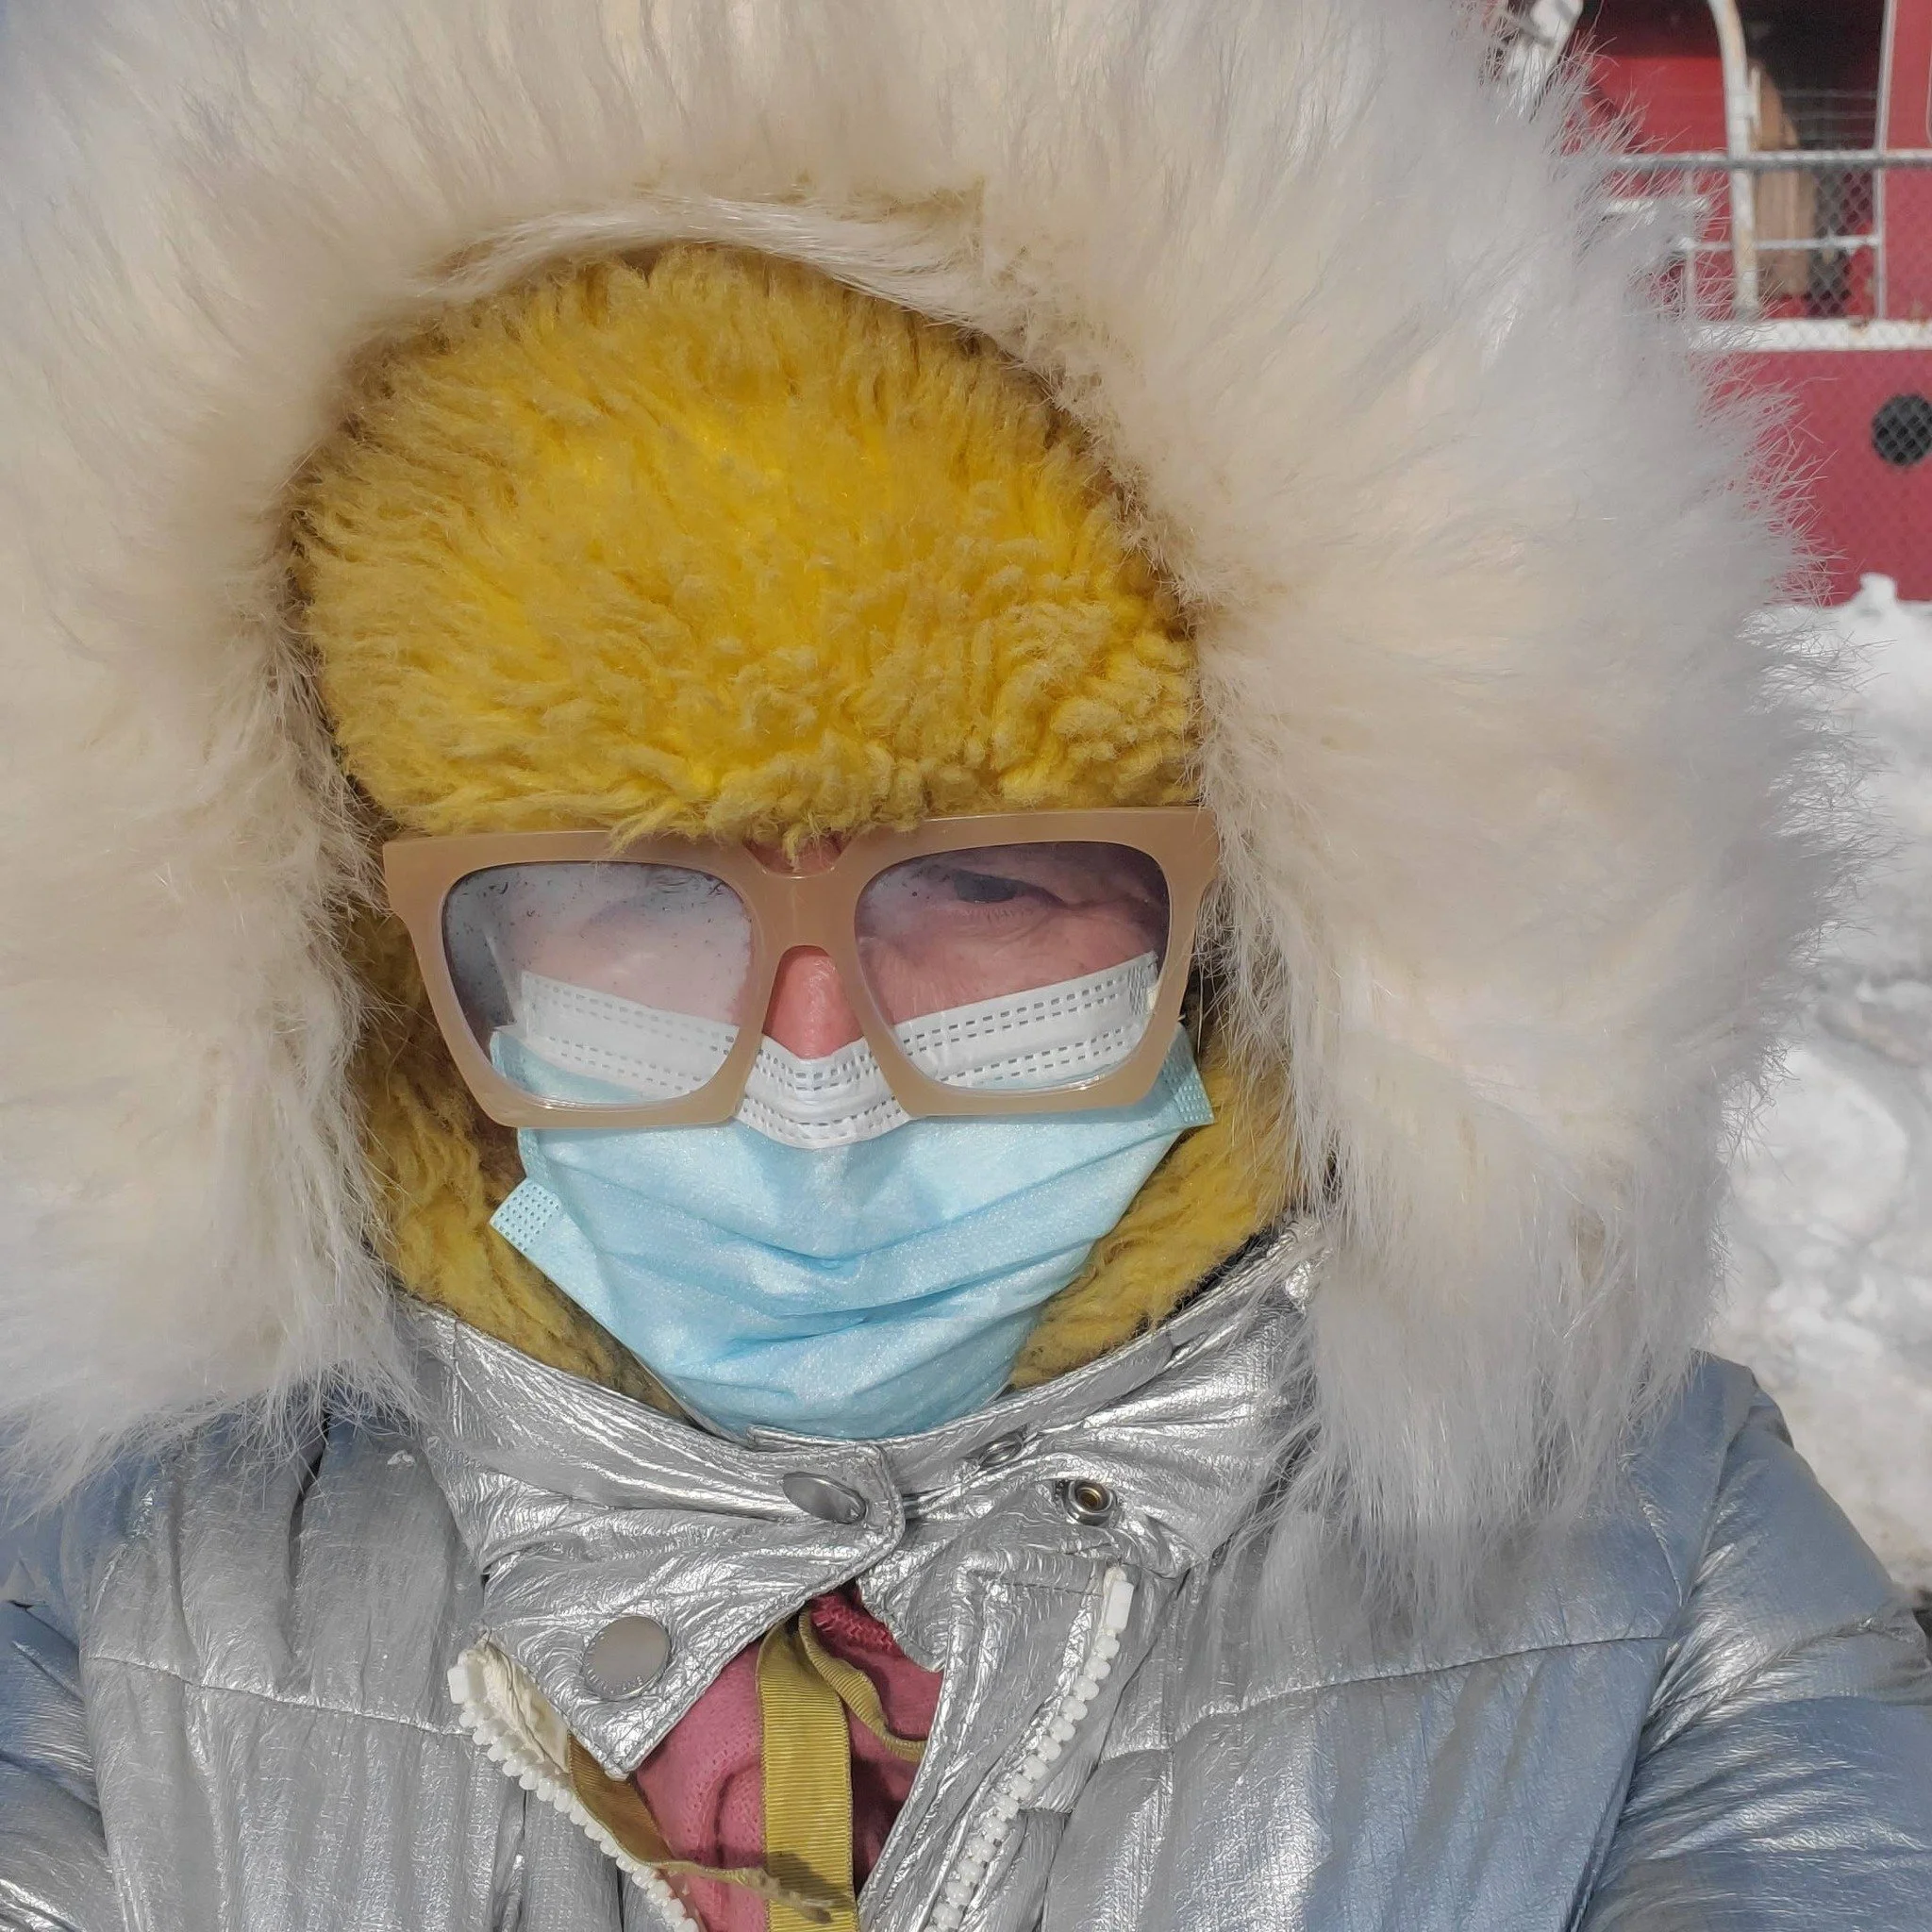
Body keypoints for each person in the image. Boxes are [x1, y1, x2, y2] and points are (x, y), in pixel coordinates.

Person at [1, 4, 1928, 1929]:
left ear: (1256, 901)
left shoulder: (1651, 1559)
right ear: (376, 932)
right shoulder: (124, 1582)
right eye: (629, 887)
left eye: (992, 879)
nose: (812, 1058)